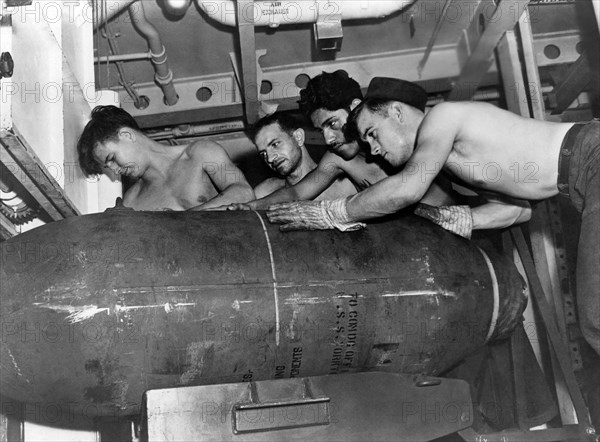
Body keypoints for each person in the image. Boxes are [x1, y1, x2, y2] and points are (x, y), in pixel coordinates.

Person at [267, 77, 599, 355]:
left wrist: (333, 212)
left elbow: (408, 188)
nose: (372, 148)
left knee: (595, 317)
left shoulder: (443, 117)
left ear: (396, 112)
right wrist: (465, 219)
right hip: (580, 184)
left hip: (592, 158)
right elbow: (520, 209)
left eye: (372, 134)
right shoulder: (453, 164)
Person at [226, 70, 454, 210]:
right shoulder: (337, 159)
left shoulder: (402, 141)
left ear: (355, 108)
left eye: (332, 124)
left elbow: (409, 190)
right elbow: (296, 193)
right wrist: (248, 207)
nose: (328, 138)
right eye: (321, 129)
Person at [77, 105, 254, 210]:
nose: (115, 170)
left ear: (127, 135)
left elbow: (244, 193)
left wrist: (181, 220)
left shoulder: (201, 153)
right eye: (109, 167)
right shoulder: (132, 200)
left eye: (112, 158)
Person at [250, 112, 356, 200]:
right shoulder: (264, 193)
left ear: (299, 137)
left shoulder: (345, 185)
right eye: (263, 154)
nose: (270, 158)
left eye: (275, 144)